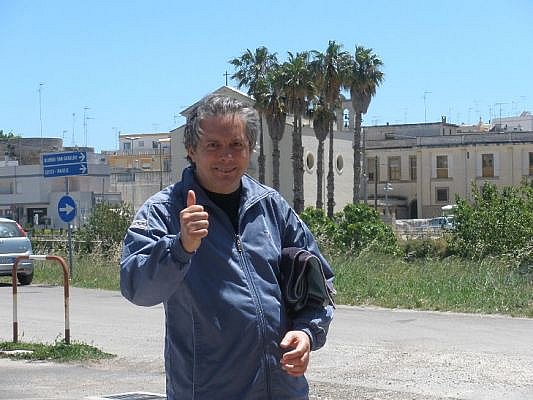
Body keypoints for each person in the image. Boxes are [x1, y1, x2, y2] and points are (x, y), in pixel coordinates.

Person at [120, 94, 334, 400]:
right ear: (191, 149)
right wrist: (180, 247)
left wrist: (306, 332)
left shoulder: (271, 206)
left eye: (236, 145)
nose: (226, 157)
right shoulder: (164, 211)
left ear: (250, 148)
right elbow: (137, 288)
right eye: (213, 146)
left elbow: (317, 282)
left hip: (284, 391)